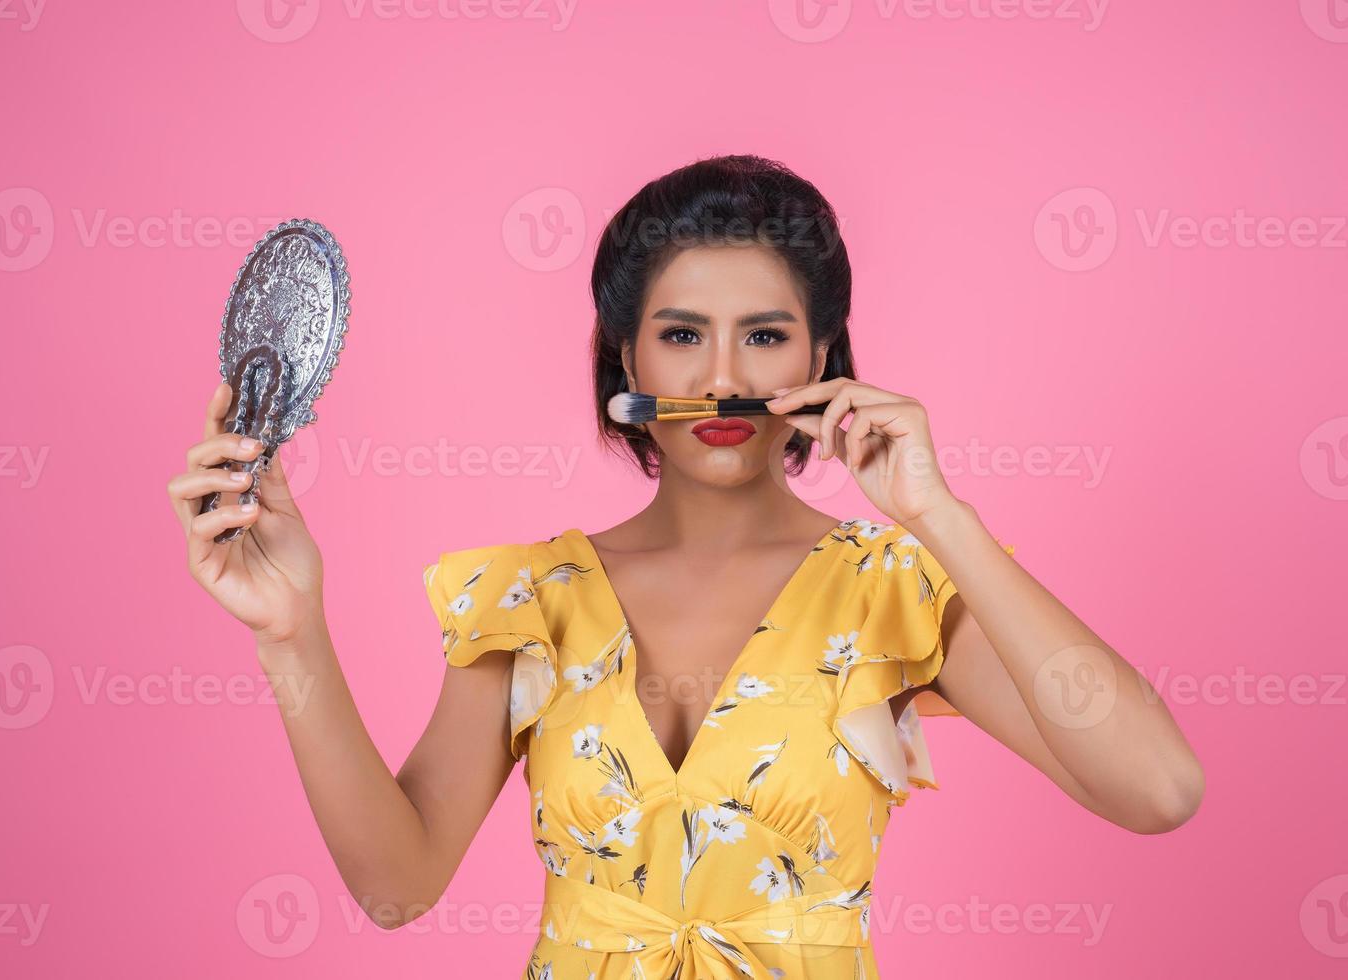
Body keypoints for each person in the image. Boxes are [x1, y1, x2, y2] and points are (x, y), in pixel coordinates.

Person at [166, 154, 1204, 978]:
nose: (720, 378)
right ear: (627, 358)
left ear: (821, 356)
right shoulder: (528, 597)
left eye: (763, 336)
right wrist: (289, 628)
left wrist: (941, 515)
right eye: (679, 334)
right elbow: (397, 885)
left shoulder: (897, 589)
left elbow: (1158, 786)